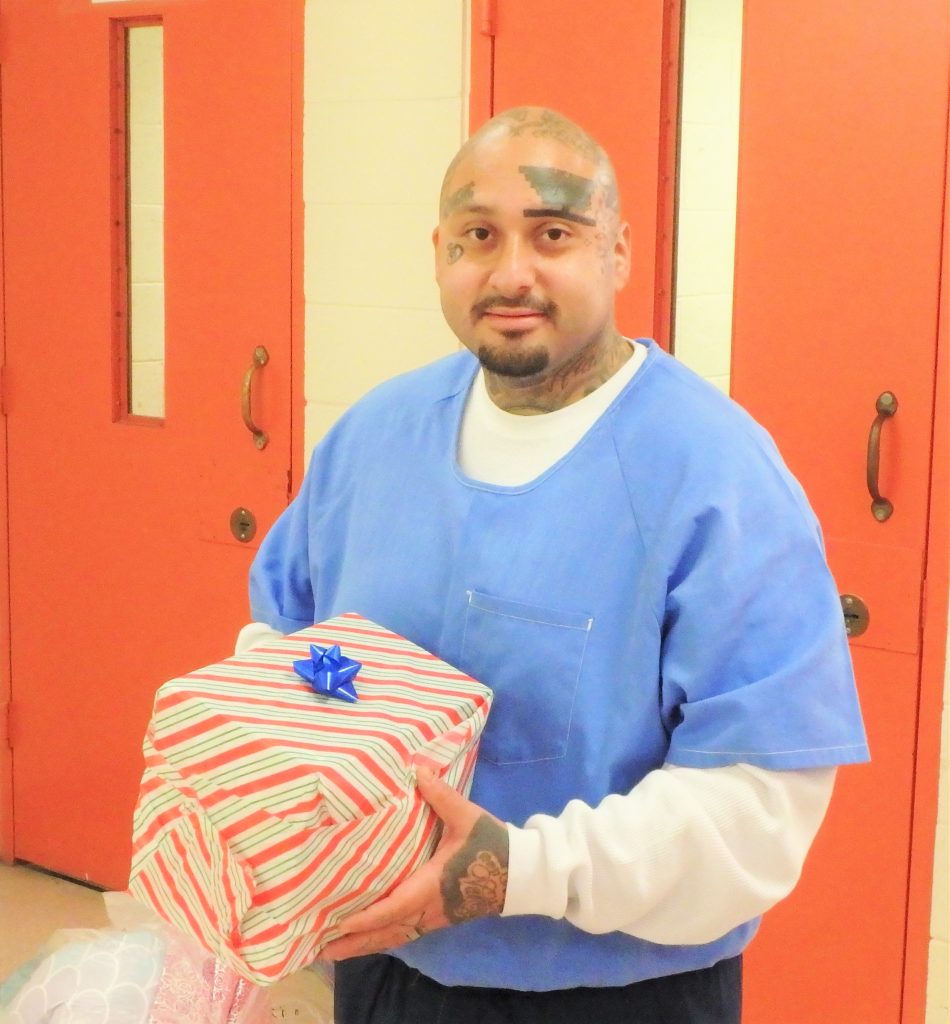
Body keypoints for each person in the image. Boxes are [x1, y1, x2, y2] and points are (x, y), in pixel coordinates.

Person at [239, 107, 869, 1024]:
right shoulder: (374, 438)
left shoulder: (715, 476)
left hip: (617, 990)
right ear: (439, 251)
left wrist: (517, 872)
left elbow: (760, 805)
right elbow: (280, 647)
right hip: (382, 970)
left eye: (555, 233)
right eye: (478, 235)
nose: (511, 272)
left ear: (616, 252)